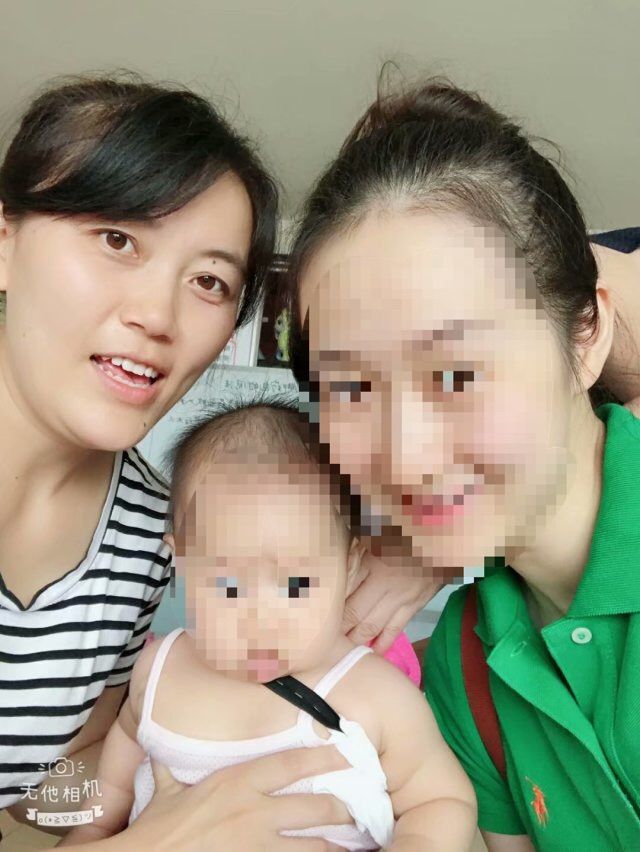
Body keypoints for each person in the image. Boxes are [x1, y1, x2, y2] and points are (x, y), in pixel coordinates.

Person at [0, 74, 353, 850]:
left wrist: (182, 789)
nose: (157, 316)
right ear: (6, 239)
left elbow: (40, 786)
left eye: (209, 282)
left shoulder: (147, 533)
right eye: (117, 240)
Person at [288, 76, 640, 850]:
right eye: (349, 387)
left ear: (586, 338)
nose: (405, 456)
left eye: (456, 373)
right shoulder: (462, 661)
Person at [61, 400, 476, 850]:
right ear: (180, 561)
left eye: (296, 585)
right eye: (227, 585)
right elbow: (122, 758)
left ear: (351, 565)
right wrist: (93, 830)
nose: (259, 620)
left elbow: (440, 801)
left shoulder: (375, 694)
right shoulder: (158, 670)